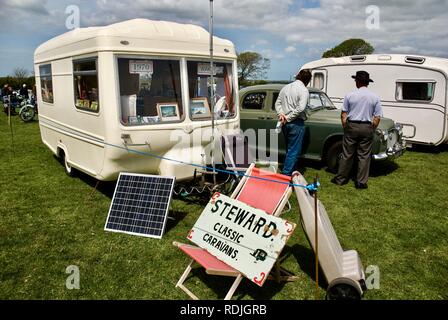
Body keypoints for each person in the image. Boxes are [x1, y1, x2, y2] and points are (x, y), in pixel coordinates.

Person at [331, 70, 382, 189]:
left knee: (347, 154)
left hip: (352, 126)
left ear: (357, 81)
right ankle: (361, 182)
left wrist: (346, 127)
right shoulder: (375, 97)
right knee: (364, 155)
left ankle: (341, 179)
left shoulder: (350, 95)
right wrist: (372, 128)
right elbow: (377, 117)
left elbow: (344, 113)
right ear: (367, 82)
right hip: (367, 126)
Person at [275, 69, 312, 176]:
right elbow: (301, 108)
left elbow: (278, 103)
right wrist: (288, 117)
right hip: (296, 122)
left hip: (285, 123)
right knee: (294, 150)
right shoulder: (304, 90)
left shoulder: (285, 87)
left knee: (290, 149)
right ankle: (286, 175)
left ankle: (291, 169)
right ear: (308, 80)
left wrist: (281, 115)